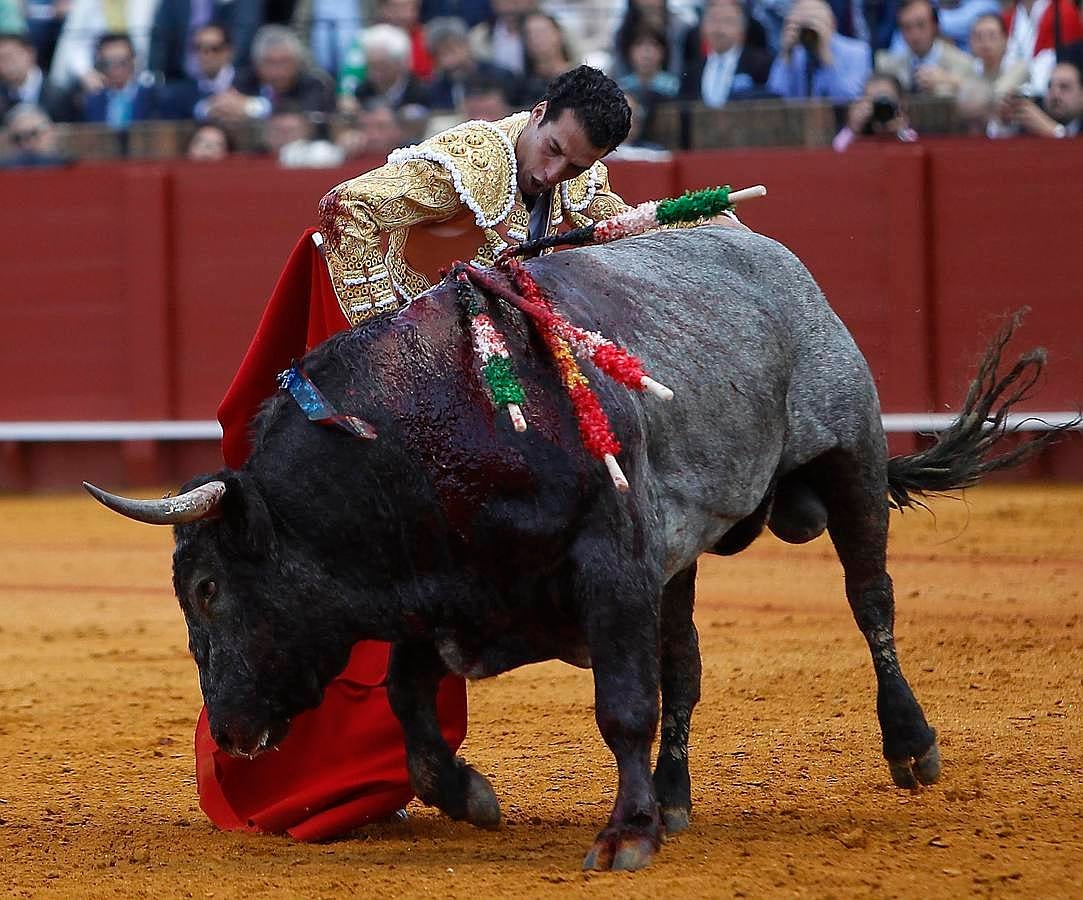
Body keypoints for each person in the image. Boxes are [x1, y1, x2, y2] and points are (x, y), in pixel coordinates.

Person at [203, 66, 644, 841]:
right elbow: (346, 210)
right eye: (551, 150)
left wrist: (702, 232)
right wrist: (401, 344)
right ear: (536, 113)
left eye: (573, 166)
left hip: (472, 403)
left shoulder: (580, 181)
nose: (553, 174)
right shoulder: (470, 160)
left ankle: (415, 750)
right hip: (396, 401)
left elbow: (621, 235)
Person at [207, 24, 337, 127]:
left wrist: (253, 108)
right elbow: (223, 108)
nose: (278, 71)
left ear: (297, 63)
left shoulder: (313, 85)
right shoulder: (243, 81)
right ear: (257, 65)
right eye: (270, 62)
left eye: (284, 61)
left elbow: (302, 115)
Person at [766, 0, 871, 101]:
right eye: (802, 23)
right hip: (798, 118)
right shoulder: (795, 53)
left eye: (814, 21)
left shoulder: (858, 52)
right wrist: (786, 54)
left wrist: (826, 56)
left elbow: (850, 102)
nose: (809, 29)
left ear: (832, 23)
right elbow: (774, 96)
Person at [681, 0, 775, 107]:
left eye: (727, 21)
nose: (719, 29)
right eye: (713, 21)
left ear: (742, 30)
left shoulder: (760, 64)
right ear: (702, 28)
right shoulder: (691, 71)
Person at [874, 0, 975, 97]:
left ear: (935, 26)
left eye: (921, 25)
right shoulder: (888, 66)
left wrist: (948, 83)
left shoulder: (964, 63)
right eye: (907, 27)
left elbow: (975, 97)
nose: (914, 35)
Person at [78, 31, 163, 125]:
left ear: (134, 61)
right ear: (100, 64)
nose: (116, 69)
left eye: (122, 62)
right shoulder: (91, 102)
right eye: (109, 63)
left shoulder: (154, 97)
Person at [0, 30, 76, 121]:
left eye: (10, 57)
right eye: (1, 59)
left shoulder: (58, 94)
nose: (6, 64)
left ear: (30, 54)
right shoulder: (2, 94)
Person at [996, 57, 1083, 136]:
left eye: (1064, 87)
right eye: (1050, 86)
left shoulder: (1041, 124)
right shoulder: (1034, 117)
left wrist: (1055, 132)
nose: (1055, 94)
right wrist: (1004, 121)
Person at [832, 71, 918, 149]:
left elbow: (916, 149)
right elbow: (838, 149)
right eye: (872, 100)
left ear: (901, 102)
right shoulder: (859, 133)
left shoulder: (908, 132)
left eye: (885, 100)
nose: (879, 106)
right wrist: (853, 129)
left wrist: (900, 132)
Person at [0, 100, 72, 166]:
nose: (26, 144)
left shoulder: (71, 168)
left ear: (51, 133)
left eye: (33, 134)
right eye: (17, 138)